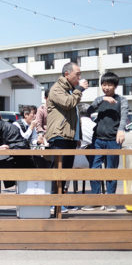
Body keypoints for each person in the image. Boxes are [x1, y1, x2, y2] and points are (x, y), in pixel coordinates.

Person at [83, 72, 129, 212]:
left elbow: (123, 117)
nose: (106, 87)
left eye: (109, 85)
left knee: (111, 171)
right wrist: (101, 99)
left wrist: (121, 130)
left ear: (115, 86)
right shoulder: (99, 99)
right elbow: (87, 111)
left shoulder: (122, 100)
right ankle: (96, 200)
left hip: (113, 141)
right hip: (97, 139)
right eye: (104, 84)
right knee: (94, 170)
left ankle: (110, 201)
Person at [45, 62, 88, 213]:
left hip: (68, 137)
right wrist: (80, 89)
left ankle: (60, 201)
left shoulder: (70, 90)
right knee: (58, 170)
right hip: (59, 136)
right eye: (77, 74)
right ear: (66, 74)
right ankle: (53, 202)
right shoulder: (57, 89)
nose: (79, 77)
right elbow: (68, 103)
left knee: (66, 171)